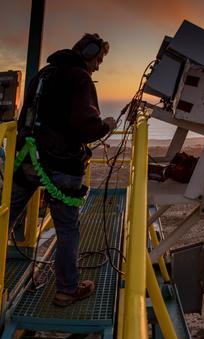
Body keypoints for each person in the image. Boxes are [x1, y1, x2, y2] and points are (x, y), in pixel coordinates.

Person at [12, 33, 116, 306]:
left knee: (6, 216)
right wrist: (106, 125)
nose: (98, 66)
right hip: (61, 163)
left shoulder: (44, 74)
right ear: (90, 54)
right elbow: (86, 127)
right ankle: (67, 289)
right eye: (99, 59)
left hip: (28, 158)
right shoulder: (79, 78)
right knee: (67, 227)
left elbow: (25, 117)